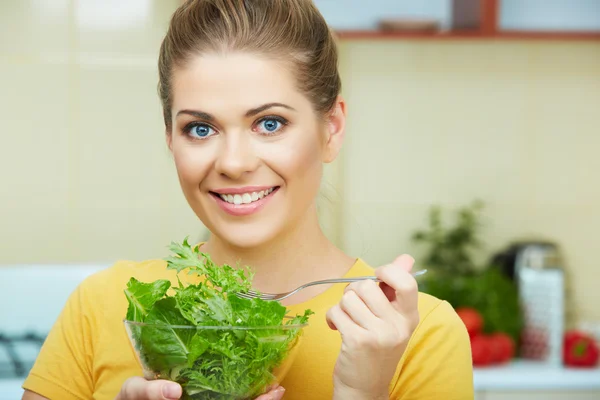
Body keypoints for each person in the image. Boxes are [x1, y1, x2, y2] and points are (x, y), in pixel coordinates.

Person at [22, 1, 473, 399]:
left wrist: (363, 392)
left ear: (331, 127)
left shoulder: (415, 339)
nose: (233, 163)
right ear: (169, 138)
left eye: (270, 124)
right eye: (201, 128)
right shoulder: (106, 306)